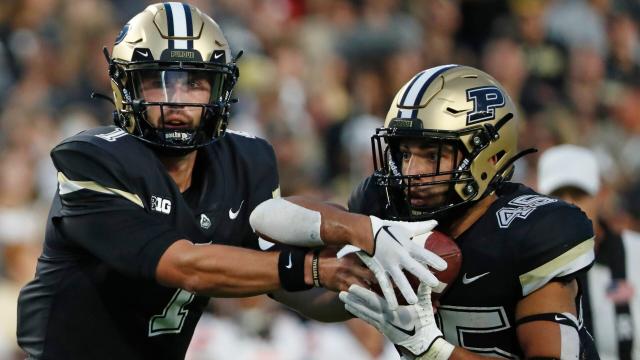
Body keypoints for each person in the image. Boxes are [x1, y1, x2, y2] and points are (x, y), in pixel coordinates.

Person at [16, 3, 446, 359]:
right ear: (125, 86)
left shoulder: (246, 160)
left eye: (195, 83)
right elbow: (184, 265)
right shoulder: (90, 159)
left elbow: (291, 287)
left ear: (218, 89)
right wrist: (336, 254)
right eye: (158, 82)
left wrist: (367, 294)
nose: (177, 101)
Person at [253, 65, 600, 359]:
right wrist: (359, 232)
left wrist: (433, 350)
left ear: (488, 155)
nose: (411, 172)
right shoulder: (388, 209)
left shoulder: (531, 232)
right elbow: (269, 218)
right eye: (404, 154)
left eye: (431, 153)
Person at [538, 144, 634, 359]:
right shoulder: (529, 265)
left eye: (579, 195)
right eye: (558, 194)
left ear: (601, 195)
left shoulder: (635, 252)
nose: (569, 204)